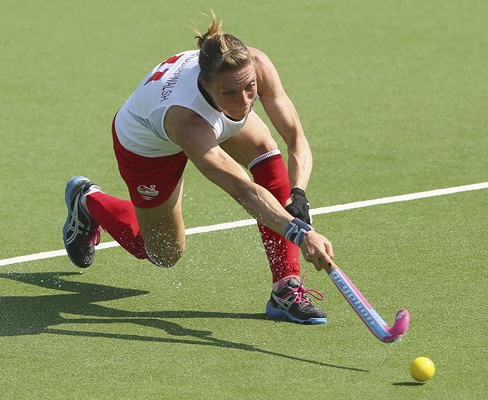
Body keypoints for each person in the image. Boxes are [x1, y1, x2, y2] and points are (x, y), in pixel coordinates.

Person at [63, 14, 335, 324]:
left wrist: (298, 195)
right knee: (164, 253)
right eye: (230, 92)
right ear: (206, 84)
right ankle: (87, 200)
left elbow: (295, 137)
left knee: (265, 153)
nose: (245, 101)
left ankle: (286, 289)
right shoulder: (188, 121)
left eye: (250, 88)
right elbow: (242, 190)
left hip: (207, 119)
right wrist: (299, 233)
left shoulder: (254, 65)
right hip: (146, 145)